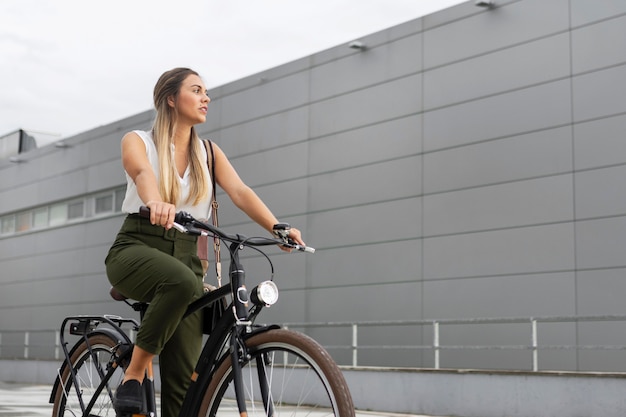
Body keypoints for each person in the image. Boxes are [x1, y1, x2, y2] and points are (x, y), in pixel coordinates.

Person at [104, 67, 304, 417]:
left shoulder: (208, 153)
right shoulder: (138, 141)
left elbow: (240, 191)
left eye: (206, 92)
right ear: (171, 98)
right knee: (181, 282)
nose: (206, 97)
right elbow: (142, 173)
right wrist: (155, 202)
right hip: (137, 246)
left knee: (186, 385)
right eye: (196, 90)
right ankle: (134, 374)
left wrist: (278, 228)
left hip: (186, 258)